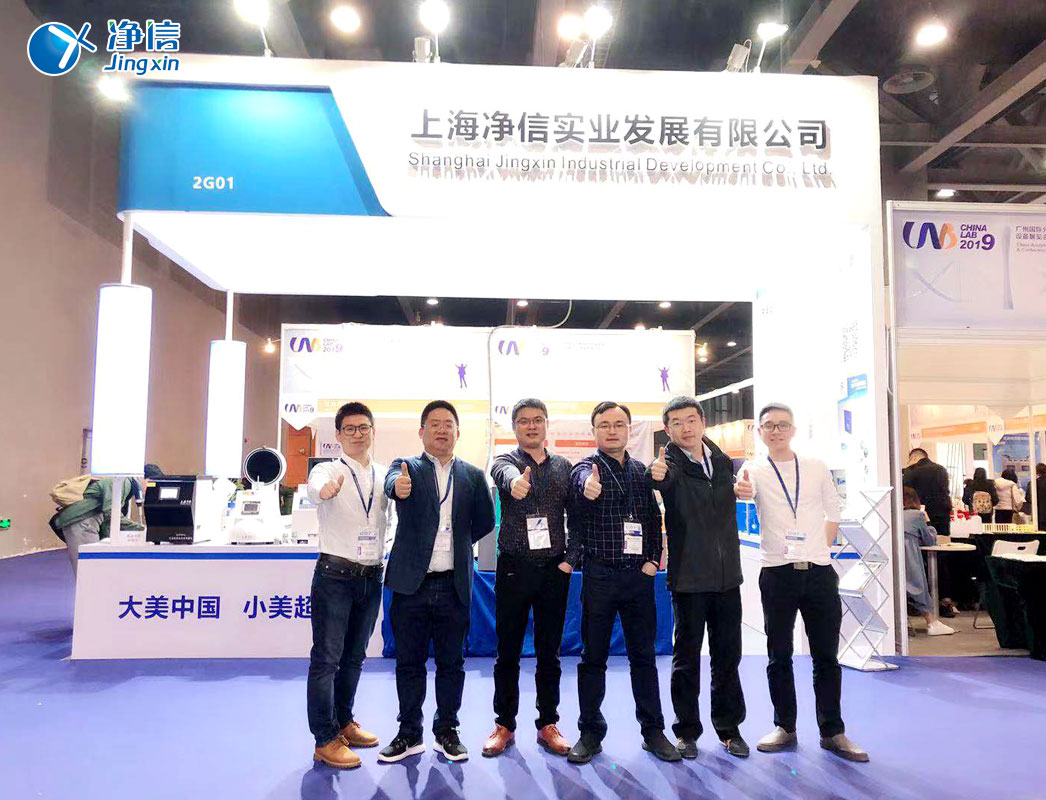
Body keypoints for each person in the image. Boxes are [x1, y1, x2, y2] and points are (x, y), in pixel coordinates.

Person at [735, 403, 868, 763]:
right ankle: (785, 726)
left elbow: (833, 512)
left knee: (826, 655)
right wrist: (741, 490)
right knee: (778, 654)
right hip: (777, 572)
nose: (776, 431)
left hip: (819, 573)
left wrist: (817, 551)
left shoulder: (815, 466)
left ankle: (832, 730)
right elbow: (743, 492)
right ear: (760, 432)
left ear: (792, 430)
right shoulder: (754, 470)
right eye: (768, 426)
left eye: (782, 425)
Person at [379, 400, 495, 764]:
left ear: (458, 432)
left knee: (451, 664)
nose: (442, 430)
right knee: (408, 663)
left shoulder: (473, 475)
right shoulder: (406, 467)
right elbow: (391, 484)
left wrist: (459, 540)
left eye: (448, 424)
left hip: (454, 585)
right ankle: (409, 733)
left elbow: (485, 521)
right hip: (411, 585)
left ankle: (447, 731)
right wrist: (397, 487)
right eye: (434, 424)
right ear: (422, 431)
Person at [565, 401, 680, 765]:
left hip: (637, 579)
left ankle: (653, 731)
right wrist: (587, 486)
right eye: (604, 425)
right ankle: (590, 732)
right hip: (599, 576)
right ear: (594, 431)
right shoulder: (587, 468)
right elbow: (578, 483)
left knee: (643, 658)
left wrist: (652, 560)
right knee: (592, 658)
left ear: (629, 429)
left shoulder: (642, 472)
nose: (612, 430)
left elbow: (652, 519)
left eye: (618, 424)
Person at [646, 396, 748, 760]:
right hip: (688, 579)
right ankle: (686, 732)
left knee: (728, 657)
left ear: (703, 422)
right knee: (686, 660)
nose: (685, 428)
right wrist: (656, 477)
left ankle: (729, 729)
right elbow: (661, 480)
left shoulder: (722, 461)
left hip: (727, 578)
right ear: (668, 430)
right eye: (676, 423)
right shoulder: (669, 465)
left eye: (690, 420)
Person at [483, 399, 573, 758]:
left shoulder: (564, 467)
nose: (531, 426)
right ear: (515, 428)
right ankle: (504, 724)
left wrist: (570, 560)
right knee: (507, 652)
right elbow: (501, 473)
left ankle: (548, 723)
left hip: (553, 570)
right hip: (514, 568)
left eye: (537, 420)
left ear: (547, 424)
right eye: (523, 421)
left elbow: (577, 517)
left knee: (550, 653)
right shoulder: (505, 461)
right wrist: (514, 483)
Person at [304, 402, 390, 769]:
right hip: (335, 576)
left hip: (372, 576)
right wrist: (324, 491)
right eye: (350, 428)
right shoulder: (327, 470)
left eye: (363, 427)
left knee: (355, 657)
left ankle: (343, 721)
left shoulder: (384, 474)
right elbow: (315, 488)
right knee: (327, 659)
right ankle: (324, 738)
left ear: (372, 432)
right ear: (338, 435)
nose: (358, 434)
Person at [902, 487, 955, 637]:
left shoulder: (893, 515)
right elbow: (929, 540)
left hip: (894, 553)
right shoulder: (917, 515)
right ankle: (932, 622)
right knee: (918, 586)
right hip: (909, 554)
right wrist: (929, 523)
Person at [902, 448, 952, 536]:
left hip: (922, 515)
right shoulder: (941, 469)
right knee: (942, 540)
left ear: (914, 457)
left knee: (925, 540)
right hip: (943, 514)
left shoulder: (911, 471)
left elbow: (906, 493)